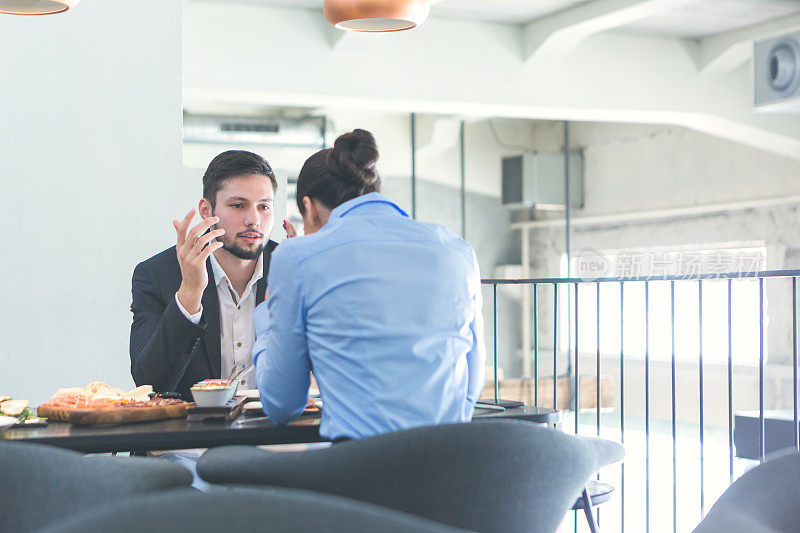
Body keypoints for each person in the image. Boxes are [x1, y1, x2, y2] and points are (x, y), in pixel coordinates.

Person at [252, 129, 486, 441]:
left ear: (308, 208)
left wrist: (270, 311)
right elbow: (471, 385)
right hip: (455, 466)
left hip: (362, 471)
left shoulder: (296, 256)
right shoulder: (457, 250)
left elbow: (283, 405)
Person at [130, 150, 280, 399]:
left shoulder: (293, 269)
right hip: (196, 435)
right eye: (238, 205)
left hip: (279, 431)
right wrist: (190, 293)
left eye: (264, 207)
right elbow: (151, 384)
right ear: (206, 210)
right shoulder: (157, 274)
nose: (254, 219)